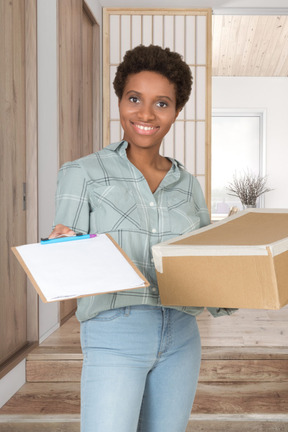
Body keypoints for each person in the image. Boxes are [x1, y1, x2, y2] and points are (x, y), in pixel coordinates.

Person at [49, 44, 235, 432]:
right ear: (120, 101)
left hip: (182, 335)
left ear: (177, 112)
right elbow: (66, 261)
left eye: (162, 103)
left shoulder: (188, 187)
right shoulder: (83, 173)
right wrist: (62, 248)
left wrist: (241, 275)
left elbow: (202, 267)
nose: (146, 114)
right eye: (134, 99)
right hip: (115, 331)